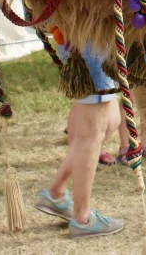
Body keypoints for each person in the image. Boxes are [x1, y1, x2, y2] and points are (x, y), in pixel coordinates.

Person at [35, 43, 126, 238]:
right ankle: (82, 219)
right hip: (90, 38)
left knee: (111, 120)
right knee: (93, 129)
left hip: (89, 38)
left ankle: (55, 193)